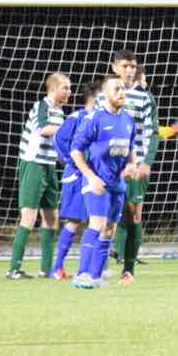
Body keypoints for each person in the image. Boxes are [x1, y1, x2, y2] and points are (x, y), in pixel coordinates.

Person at [96, 51, 158, 285]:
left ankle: (128, 270)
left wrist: (146, 162)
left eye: (133, 66)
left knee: (133, 216)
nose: (130, 70)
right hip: (108, 167)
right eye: (125, 66)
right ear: (114, 67)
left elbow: (152, 132)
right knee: (103, 217)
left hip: (135, 166)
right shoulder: (103, 96)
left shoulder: (145, 98)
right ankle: (99, 267)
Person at [70, 75, 137, 289]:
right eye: (116, 89)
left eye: (123, 88)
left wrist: (132, 165)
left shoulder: (128, 120)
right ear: (105, 93)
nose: (121, 92)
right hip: (96, 182)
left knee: (109, 230)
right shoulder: (95, 119)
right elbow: (75, 151)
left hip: (117, 183)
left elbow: (131, 148)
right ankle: (82, 274)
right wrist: (91, 177)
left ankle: (95, 277)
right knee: (97, 225)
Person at [7, 72, 71, 279]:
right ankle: (14, 270)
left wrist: (70, 161)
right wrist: (70, 128)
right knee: (29, 217)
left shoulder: (60, 112)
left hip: (49, 166)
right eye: (65, 88)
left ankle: (46, 270)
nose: (69, 92)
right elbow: (44, 129)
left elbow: (57, 142)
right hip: (33, 164)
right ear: (53, 89)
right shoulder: (41, 106)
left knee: (52, 218)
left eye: (69, 88)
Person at [50, 81, 100, 280]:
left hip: (94, 175)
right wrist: (72, 161)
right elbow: (58, 139)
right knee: (75, 221)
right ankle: (57, 268)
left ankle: (93, 268)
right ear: (94, 98)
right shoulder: (77, 117)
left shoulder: (100, 119)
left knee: (98, 220)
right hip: (77, 176)